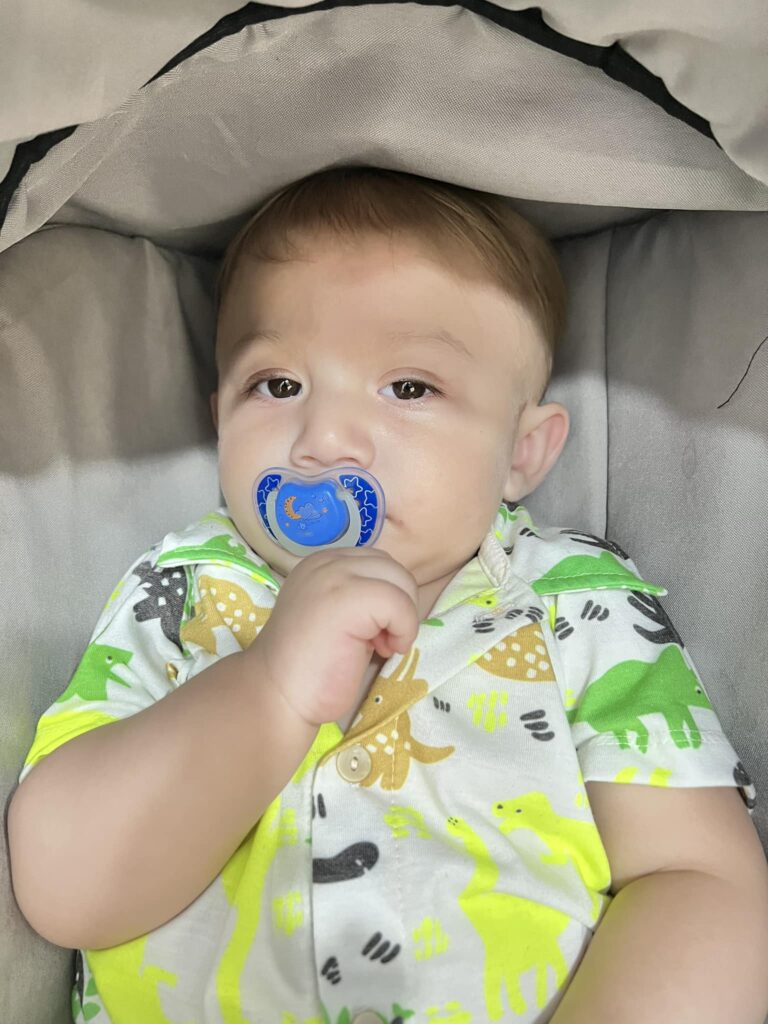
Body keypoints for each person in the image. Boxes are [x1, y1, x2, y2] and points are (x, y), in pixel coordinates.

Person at [8, 166, 768, 1024]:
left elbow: (699, 878)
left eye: (410, 388)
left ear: (522, 452)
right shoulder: (183, 588)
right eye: (278, 385)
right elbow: (66, 890)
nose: (324, 438)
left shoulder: (579, 602)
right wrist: (269, 689)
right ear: (220, 418)